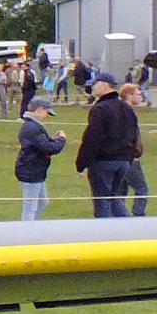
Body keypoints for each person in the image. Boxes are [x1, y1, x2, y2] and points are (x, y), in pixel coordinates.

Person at [73, 71, 138, 217]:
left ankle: (104, 233)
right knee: (114, 199)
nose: (93, 88)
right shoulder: (127, 108)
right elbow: (134, 136)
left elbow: (92, 139)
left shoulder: (100, 109)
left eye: (95, 85)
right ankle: (128, 230)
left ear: (104, 85)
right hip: (123, 161)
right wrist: (128, 158)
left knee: (102, 201)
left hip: (103, 161)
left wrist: (81, 163)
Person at [15, 96, 67, 219]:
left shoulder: (34, 126)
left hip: (36, 171)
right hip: (30, 171)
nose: (47, 116)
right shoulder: (31, 127)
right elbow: (48, 147)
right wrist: (62, 139)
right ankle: (28, 231)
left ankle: (34, 225)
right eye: (46, 112)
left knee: (42, 202)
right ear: (39, 110)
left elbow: (43, 143)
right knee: (30, 206)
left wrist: (56, 140)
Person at [118, 83, 149, 216]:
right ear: (129, 95)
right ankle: (138, 215)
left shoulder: (122, 111)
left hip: (121, 158)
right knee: (142, 188)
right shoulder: (127, 112)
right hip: (129, 158)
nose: (141, 96)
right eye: (138, 94)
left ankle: (119, 217)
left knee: (120, 190)